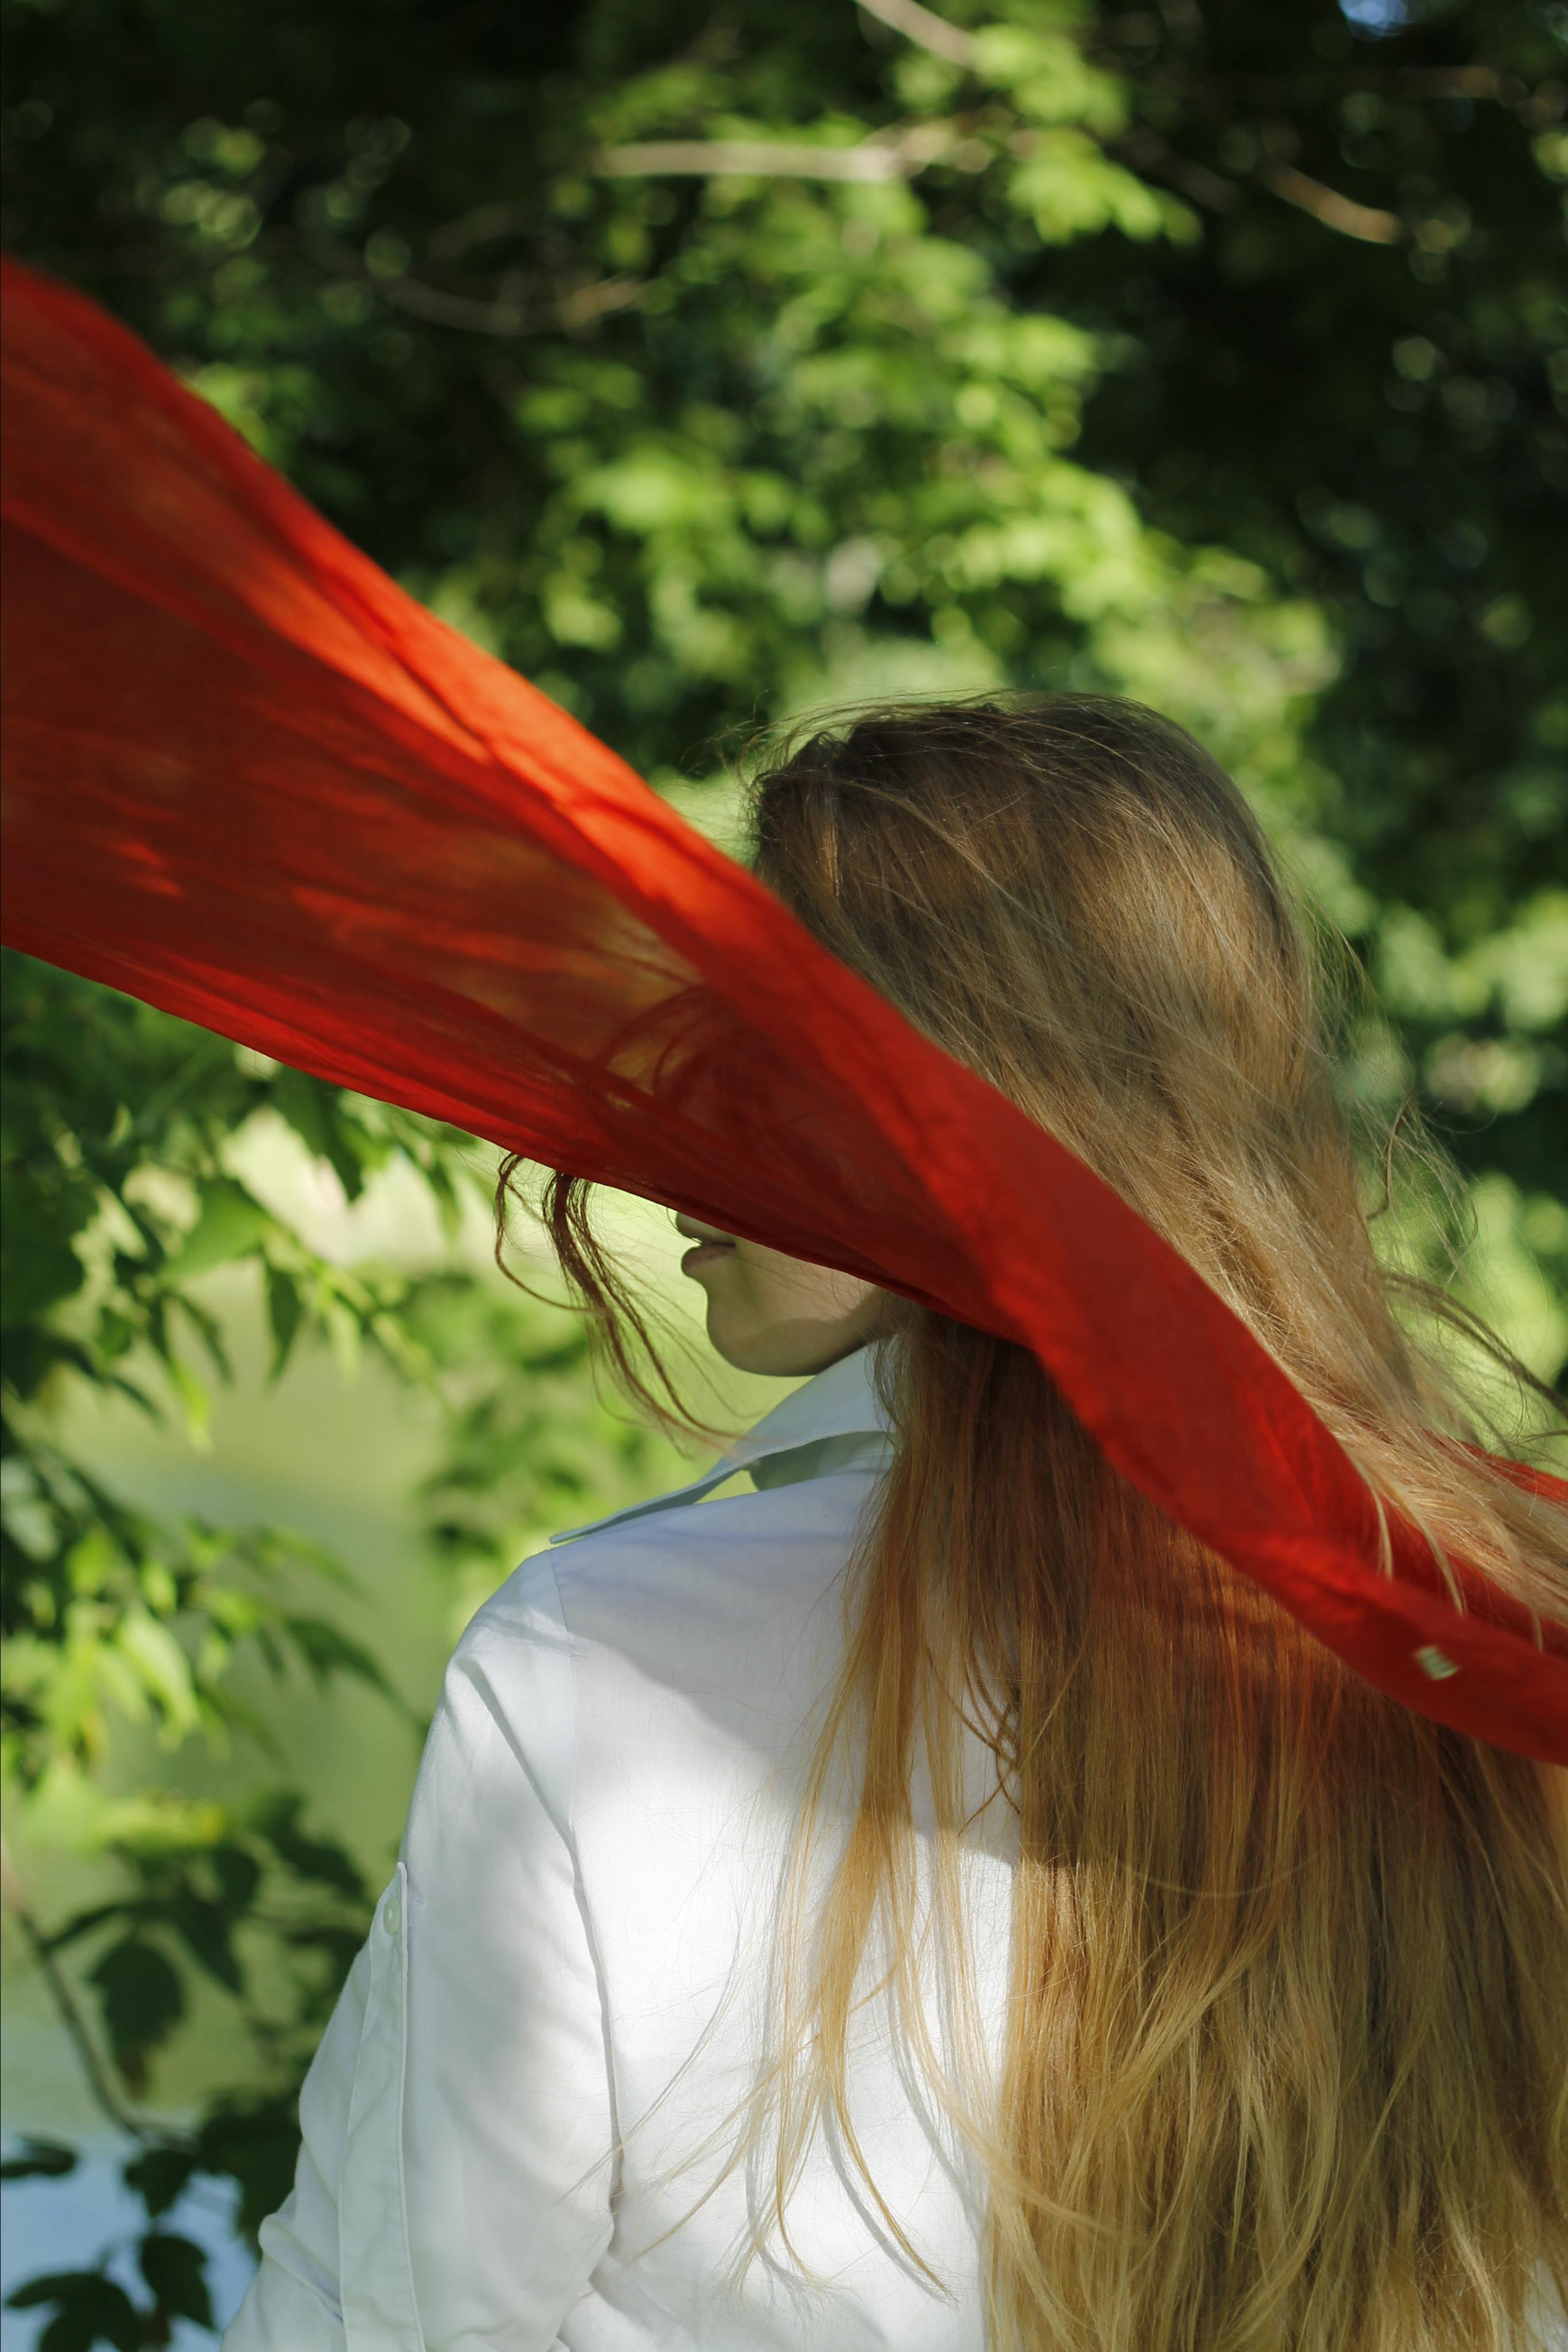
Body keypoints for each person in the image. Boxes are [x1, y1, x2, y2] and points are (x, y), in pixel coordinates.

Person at [223, 698, 1567, 2352]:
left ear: (964, 1109)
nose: (665, 1130)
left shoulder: (609, 1663)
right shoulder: (1500, 1659)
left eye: (763, 1058)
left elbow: (379, 2333)